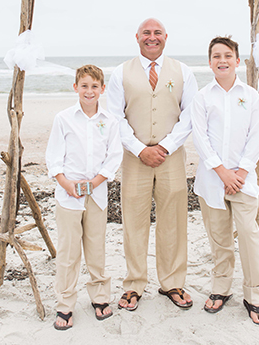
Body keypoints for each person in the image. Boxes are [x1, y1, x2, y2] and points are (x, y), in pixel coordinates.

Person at [104, 18, 198, 311]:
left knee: (173, 220)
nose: (152, 37)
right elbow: (114, 118)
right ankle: (134, 283)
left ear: (166, 37)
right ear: (137, 37)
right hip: (134, 159)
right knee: (133, 220)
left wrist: (166, 147)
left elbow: (190, 116)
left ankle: (172, 282)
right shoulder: (121, 73)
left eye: (157, 33)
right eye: (147, 32)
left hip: (172, 157)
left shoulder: (184, 72)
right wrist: (139, 148)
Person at [190, 36, 259, 326]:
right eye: (215, 56)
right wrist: (222, 172)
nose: (221, 60)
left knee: (249, 236)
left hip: (244, 181)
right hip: (212, 180)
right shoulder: (202, 97)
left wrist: (242, 172)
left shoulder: (250, 96)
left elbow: (256, 137)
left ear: (237, 60)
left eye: (227, 55)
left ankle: (254, 295)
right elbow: (200, 138)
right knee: (219, 240)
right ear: (209, 62)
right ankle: (221, 288)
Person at [46, 65, 123, 330]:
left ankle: (100, 298)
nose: (89, 91)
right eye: (84, 85)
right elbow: (54, 158)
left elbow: (114, 157)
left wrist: (95, 182)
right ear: (76, 87)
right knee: (68, 252)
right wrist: (66, 183)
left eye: (94, 86)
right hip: (68, 195)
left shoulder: (109, 121)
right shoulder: (64, 118)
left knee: (96, 248)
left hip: (97, 194)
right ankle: (65, 304)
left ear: (102, 89)